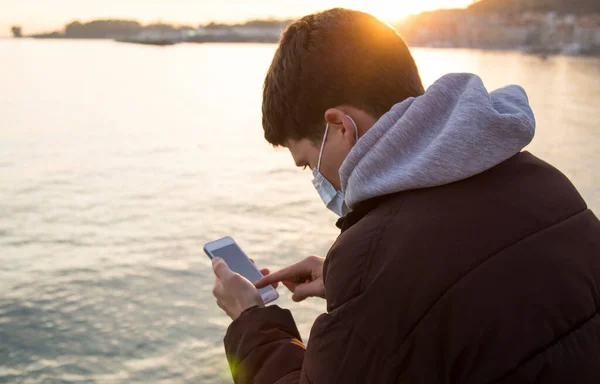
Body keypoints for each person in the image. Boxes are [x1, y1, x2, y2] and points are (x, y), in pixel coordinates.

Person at [211, 8, 600, 384]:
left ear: (340, 126)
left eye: (309, 163)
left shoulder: (374, 267)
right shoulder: (546, 183)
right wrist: (348, 288)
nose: (316, 178)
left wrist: (251, 321)